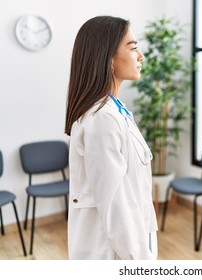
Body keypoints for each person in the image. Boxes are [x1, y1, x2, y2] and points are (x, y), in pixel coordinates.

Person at [64, 16, 158, 260]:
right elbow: (116, 206)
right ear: (108, 57)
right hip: (112, 254)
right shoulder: (102, 119)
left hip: (132, 242)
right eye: (133, 47)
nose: (141, 56)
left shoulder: (116, 111)